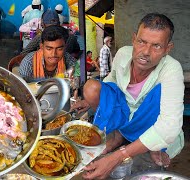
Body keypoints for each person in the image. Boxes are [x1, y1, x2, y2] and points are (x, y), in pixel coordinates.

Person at [71, 13, 184, 179]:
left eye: (156, 46)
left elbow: (169, 126)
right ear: (134, 39)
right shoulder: (124, 54)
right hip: (125, 115)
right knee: (91, 87)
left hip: (147, 119)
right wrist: (89, 102)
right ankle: (119, 136)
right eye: (142, 42)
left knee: (158, 96)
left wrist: (117, 157)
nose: (146, 52)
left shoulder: (172, 69)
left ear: (168, 48)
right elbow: (111, 80)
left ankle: (147, 144)